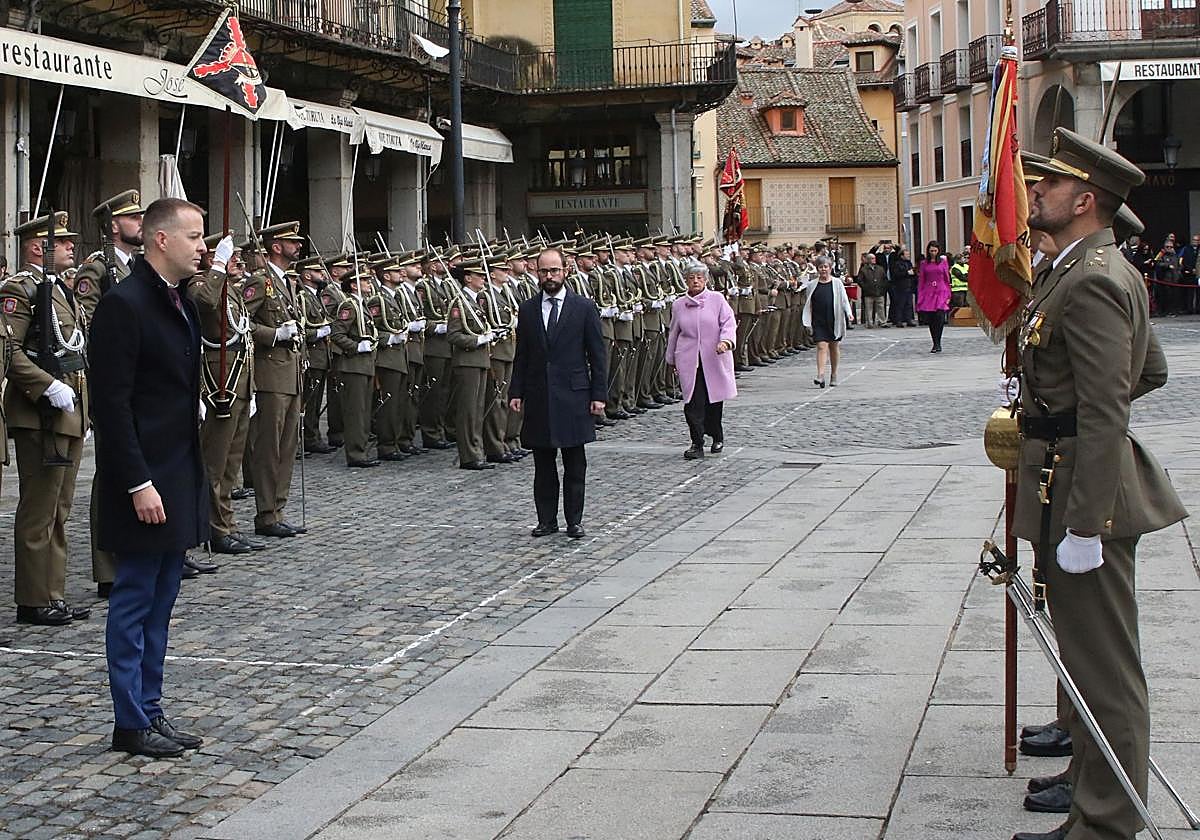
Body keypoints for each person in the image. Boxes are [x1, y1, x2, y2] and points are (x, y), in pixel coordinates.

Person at [1010, 128, 1187, 840]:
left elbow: (1115, 400)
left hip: (1086, 495)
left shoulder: (1096, 278)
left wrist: (1086, 522)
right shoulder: (1078, 269)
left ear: (1085, 199)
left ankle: (1108, 825)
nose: (1034, 194)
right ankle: (1093, 796)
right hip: (1067, 477)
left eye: (1047, 186)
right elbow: (1146, 373)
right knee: (1083, 664)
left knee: (1104, 672)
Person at [89, 197, 210, 758]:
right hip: (143, 479)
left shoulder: (179, 300)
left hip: (177, 470)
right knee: (134, 600)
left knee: (162, 601)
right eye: (194, 236)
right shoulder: (125, 303)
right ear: (161, 240)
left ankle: (152, 709)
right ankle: (128, 720)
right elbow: (112, 407)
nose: (203, 246)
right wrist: (137, 482)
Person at [4, 212, 92, 626]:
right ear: (39, 247)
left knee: (60, 507)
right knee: (39, 508)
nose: (72, 246)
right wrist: (46, 387)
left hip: (68, 412)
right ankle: (33, 598)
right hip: (39, 412)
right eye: (64, 242)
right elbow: (9, 351)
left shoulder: (61, 289)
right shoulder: (20, 289)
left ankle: (51, 592)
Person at [509, 247, 607, 540]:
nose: (549, 277)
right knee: (543, 463)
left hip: (574, 394)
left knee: (575, 462)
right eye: (543, 271)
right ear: (536, 273)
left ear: (566, 271)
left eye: (554, 271)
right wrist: (517, 390)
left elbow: (597, 355)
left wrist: (598, 394)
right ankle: (546, 520)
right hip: (540, 395)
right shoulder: (527, 309)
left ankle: (574, 520)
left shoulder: (583, 307)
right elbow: (522, 354)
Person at [665, 260, 737, 459]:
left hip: (713, 357)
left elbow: (728, 323)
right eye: (691, 278)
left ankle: (716, 435)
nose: (695, 281)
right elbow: (674, 332)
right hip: (688, 359)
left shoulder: (717, 299)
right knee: (692, 403)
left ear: (705, 280)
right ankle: (697, 443)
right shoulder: (679, 304)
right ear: (685, 281)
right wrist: (670, 358)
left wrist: (726, 342)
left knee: (713, 400)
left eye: (699, 278)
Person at [801, 256, 853, 388]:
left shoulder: (837, 283)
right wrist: (808, 320)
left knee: (834, 346)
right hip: (818, 320)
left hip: (834, 318)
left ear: (830, 268)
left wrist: (849, 313)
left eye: (826, 267)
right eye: (821, 267)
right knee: (821, 346)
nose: (823, 269)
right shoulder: (812, 284)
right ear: (818, 269)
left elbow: (844, 300)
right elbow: (809, 303)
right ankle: (820, 375)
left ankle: (834, 374)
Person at [916, 241, 951, 353]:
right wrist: (920, 296)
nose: (933, 253)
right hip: (928, 291)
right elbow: (921, 280)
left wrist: (949, 294)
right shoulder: (924, 263)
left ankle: (938, 343)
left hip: (941, 291)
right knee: (931, 319)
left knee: (940, 317)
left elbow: (946, 279)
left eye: (935, 251)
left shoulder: (943, 262)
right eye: (931, 251)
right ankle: (934, 342)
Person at [854, 252, 888, 327]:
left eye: (874, 258)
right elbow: (860, 280)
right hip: (868, 293)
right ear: (868, 260)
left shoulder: (880, 268)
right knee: (869, 309)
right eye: (872, 258)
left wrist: (883, 288)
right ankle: (869, 323)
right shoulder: (863, 269)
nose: (874, 260)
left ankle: (882, 322)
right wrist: (865, 287)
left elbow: (885, 279)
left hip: (879, 292)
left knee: (881, 308)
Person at [888, 246, 916, 326]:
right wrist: (907, 273)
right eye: (906, 255)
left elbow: (912, 273)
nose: (908, 256)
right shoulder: (897, 264)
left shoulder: (909, 263)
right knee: (900, 304)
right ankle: (898, 320)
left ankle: (908, 319)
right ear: (902, 256)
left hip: (909, 286)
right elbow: (896, 274)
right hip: (900, 287)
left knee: (909, 304)